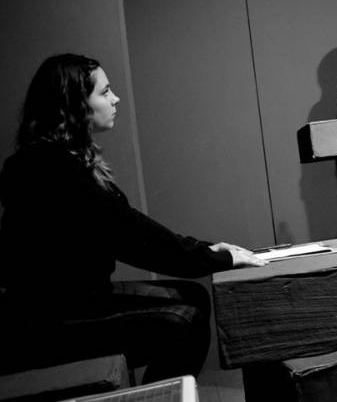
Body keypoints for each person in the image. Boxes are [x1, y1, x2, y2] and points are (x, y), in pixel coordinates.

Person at [0, 53, 266, 381]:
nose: (115, 99)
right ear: (75, 104)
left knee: (194, 295)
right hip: (49, 319)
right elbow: (136, 238)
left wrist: (209, 251)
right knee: (185, 322)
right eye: (104, 92)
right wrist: (216, 257)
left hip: (79, 300)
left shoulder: (58, 158)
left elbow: (131, 226)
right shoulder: (52, 169)